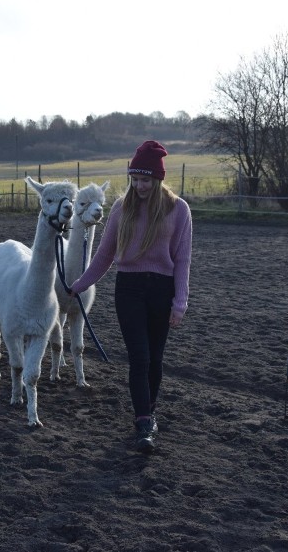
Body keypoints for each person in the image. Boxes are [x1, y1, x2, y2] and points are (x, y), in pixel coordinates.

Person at [68, 140, 193, 453]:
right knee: (139, 357)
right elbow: (105, 255)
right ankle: (143, 423)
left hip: (161, 291)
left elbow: (183, 260)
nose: (139, 186)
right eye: (135, 180)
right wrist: (80, 284)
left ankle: (150, 411)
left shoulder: (178, 210)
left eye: (145, 180)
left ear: (158, 179)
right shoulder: (121, 208)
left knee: (155, 358)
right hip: (129, 290)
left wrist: (180, 302)